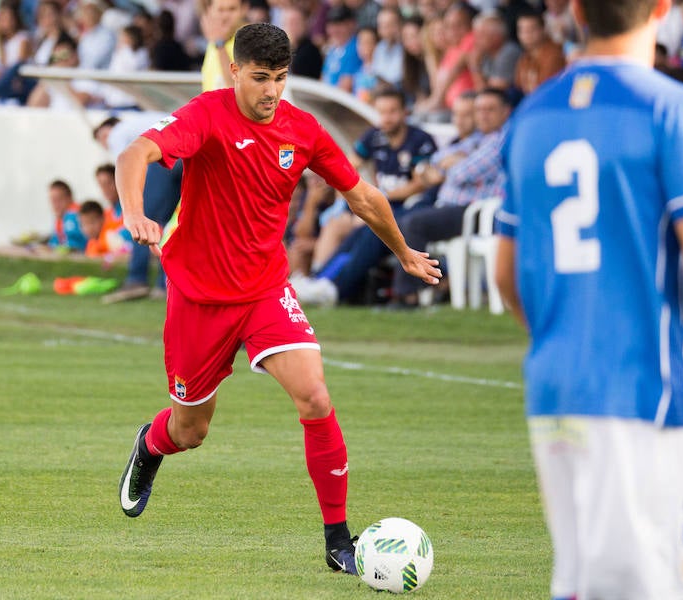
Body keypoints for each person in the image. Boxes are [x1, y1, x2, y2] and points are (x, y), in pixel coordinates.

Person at [114, 23, 441, 575]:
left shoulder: (302, 130)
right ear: (236, 70)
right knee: (190, 430)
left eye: (281, 79)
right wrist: (133, 212)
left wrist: (405, 251)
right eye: (261, 78)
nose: (271, 91)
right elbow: (136, 153)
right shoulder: (206, 115)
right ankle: (150, 445)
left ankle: (338, 541)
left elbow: (361, 196)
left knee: (314, 395)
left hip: (265, 290)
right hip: (198, 296)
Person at [495, 1, 683, 598]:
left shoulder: (531, 114)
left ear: (576, 11)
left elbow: (505, 272)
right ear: (662, 8)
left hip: (553, 386)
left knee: (580, 582)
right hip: (638, 389)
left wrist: (562, 335)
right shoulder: (674, 107)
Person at [293, 88, 438, 306]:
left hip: (411, 208)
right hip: (382, 205)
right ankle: (319, 279)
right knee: (339, 225)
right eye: (382, 112)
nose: (386, 118)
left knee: (371, 231)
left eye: (392, 112)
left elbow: (422, 183)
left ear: (404, 113)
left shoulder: (420, 140)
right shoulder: (374, 136)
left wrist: (377, 198)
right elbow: (348, 166)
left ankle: (335, 289)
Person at [390, 87, 509, 308]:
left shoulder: (501, 139)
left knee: (413, 224)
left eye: (490, 110)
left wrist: (449, 166)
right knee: (400, 221)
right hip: (450, 208)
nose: (483, 115)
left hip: (477, 211)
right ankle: (439, 282)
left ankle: (408, 295)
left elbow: (461, 173)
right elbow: (430, 163)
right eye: (480, 110)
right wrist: (450, 162)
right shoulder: (476, 140)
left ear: (505, 112)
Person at [92, 115, 183, 303]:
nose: (104, 143)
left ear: (107, 129)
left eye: (101, 137)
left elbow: (125, 163)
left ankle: (137, 279)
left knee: (143, 218)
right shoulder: (141, 122)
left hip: (164, 157)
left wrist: (130, 203)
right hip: (184, 156)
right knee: (168, 223)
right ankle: (163, 283)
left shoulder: (118, 132)